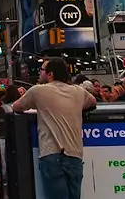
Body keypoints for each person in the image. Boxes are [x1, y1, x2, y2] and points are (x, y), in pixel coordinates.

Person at [8, 57, 94, 199]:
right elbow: (92, 102)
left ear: (50, 74)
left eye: (42, 70)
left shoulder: (38, 91)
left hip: (52, 154)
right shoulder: (79, 91)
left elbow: (16, 106)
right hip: (75, 155)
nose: (39, 73)